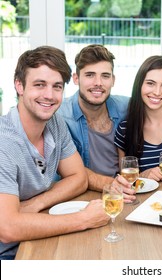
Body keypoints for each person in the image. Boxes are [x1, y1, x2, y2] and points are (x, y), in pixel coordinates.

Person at [0, 46, 110, 260]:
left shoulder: (54, 123)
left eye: (57, 87)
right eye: (39, 85)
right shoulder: (4, 142)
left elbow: (79, 178)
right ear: (19, 85)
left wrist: (36, 204)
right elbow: (7, 228)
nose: (49, 95)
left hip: (37, 240)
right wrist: (83, 219)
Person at [57, 44, 136, 203]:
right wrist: (110, 184)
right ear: (76, 78)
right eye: (90, 75)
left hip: (122, 195)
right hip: (77, 198)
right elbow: (69, 170)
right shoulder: (59, 116)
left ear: (113, 80)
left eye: (105, 76)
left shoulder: (127, 108)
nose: (98, 83)